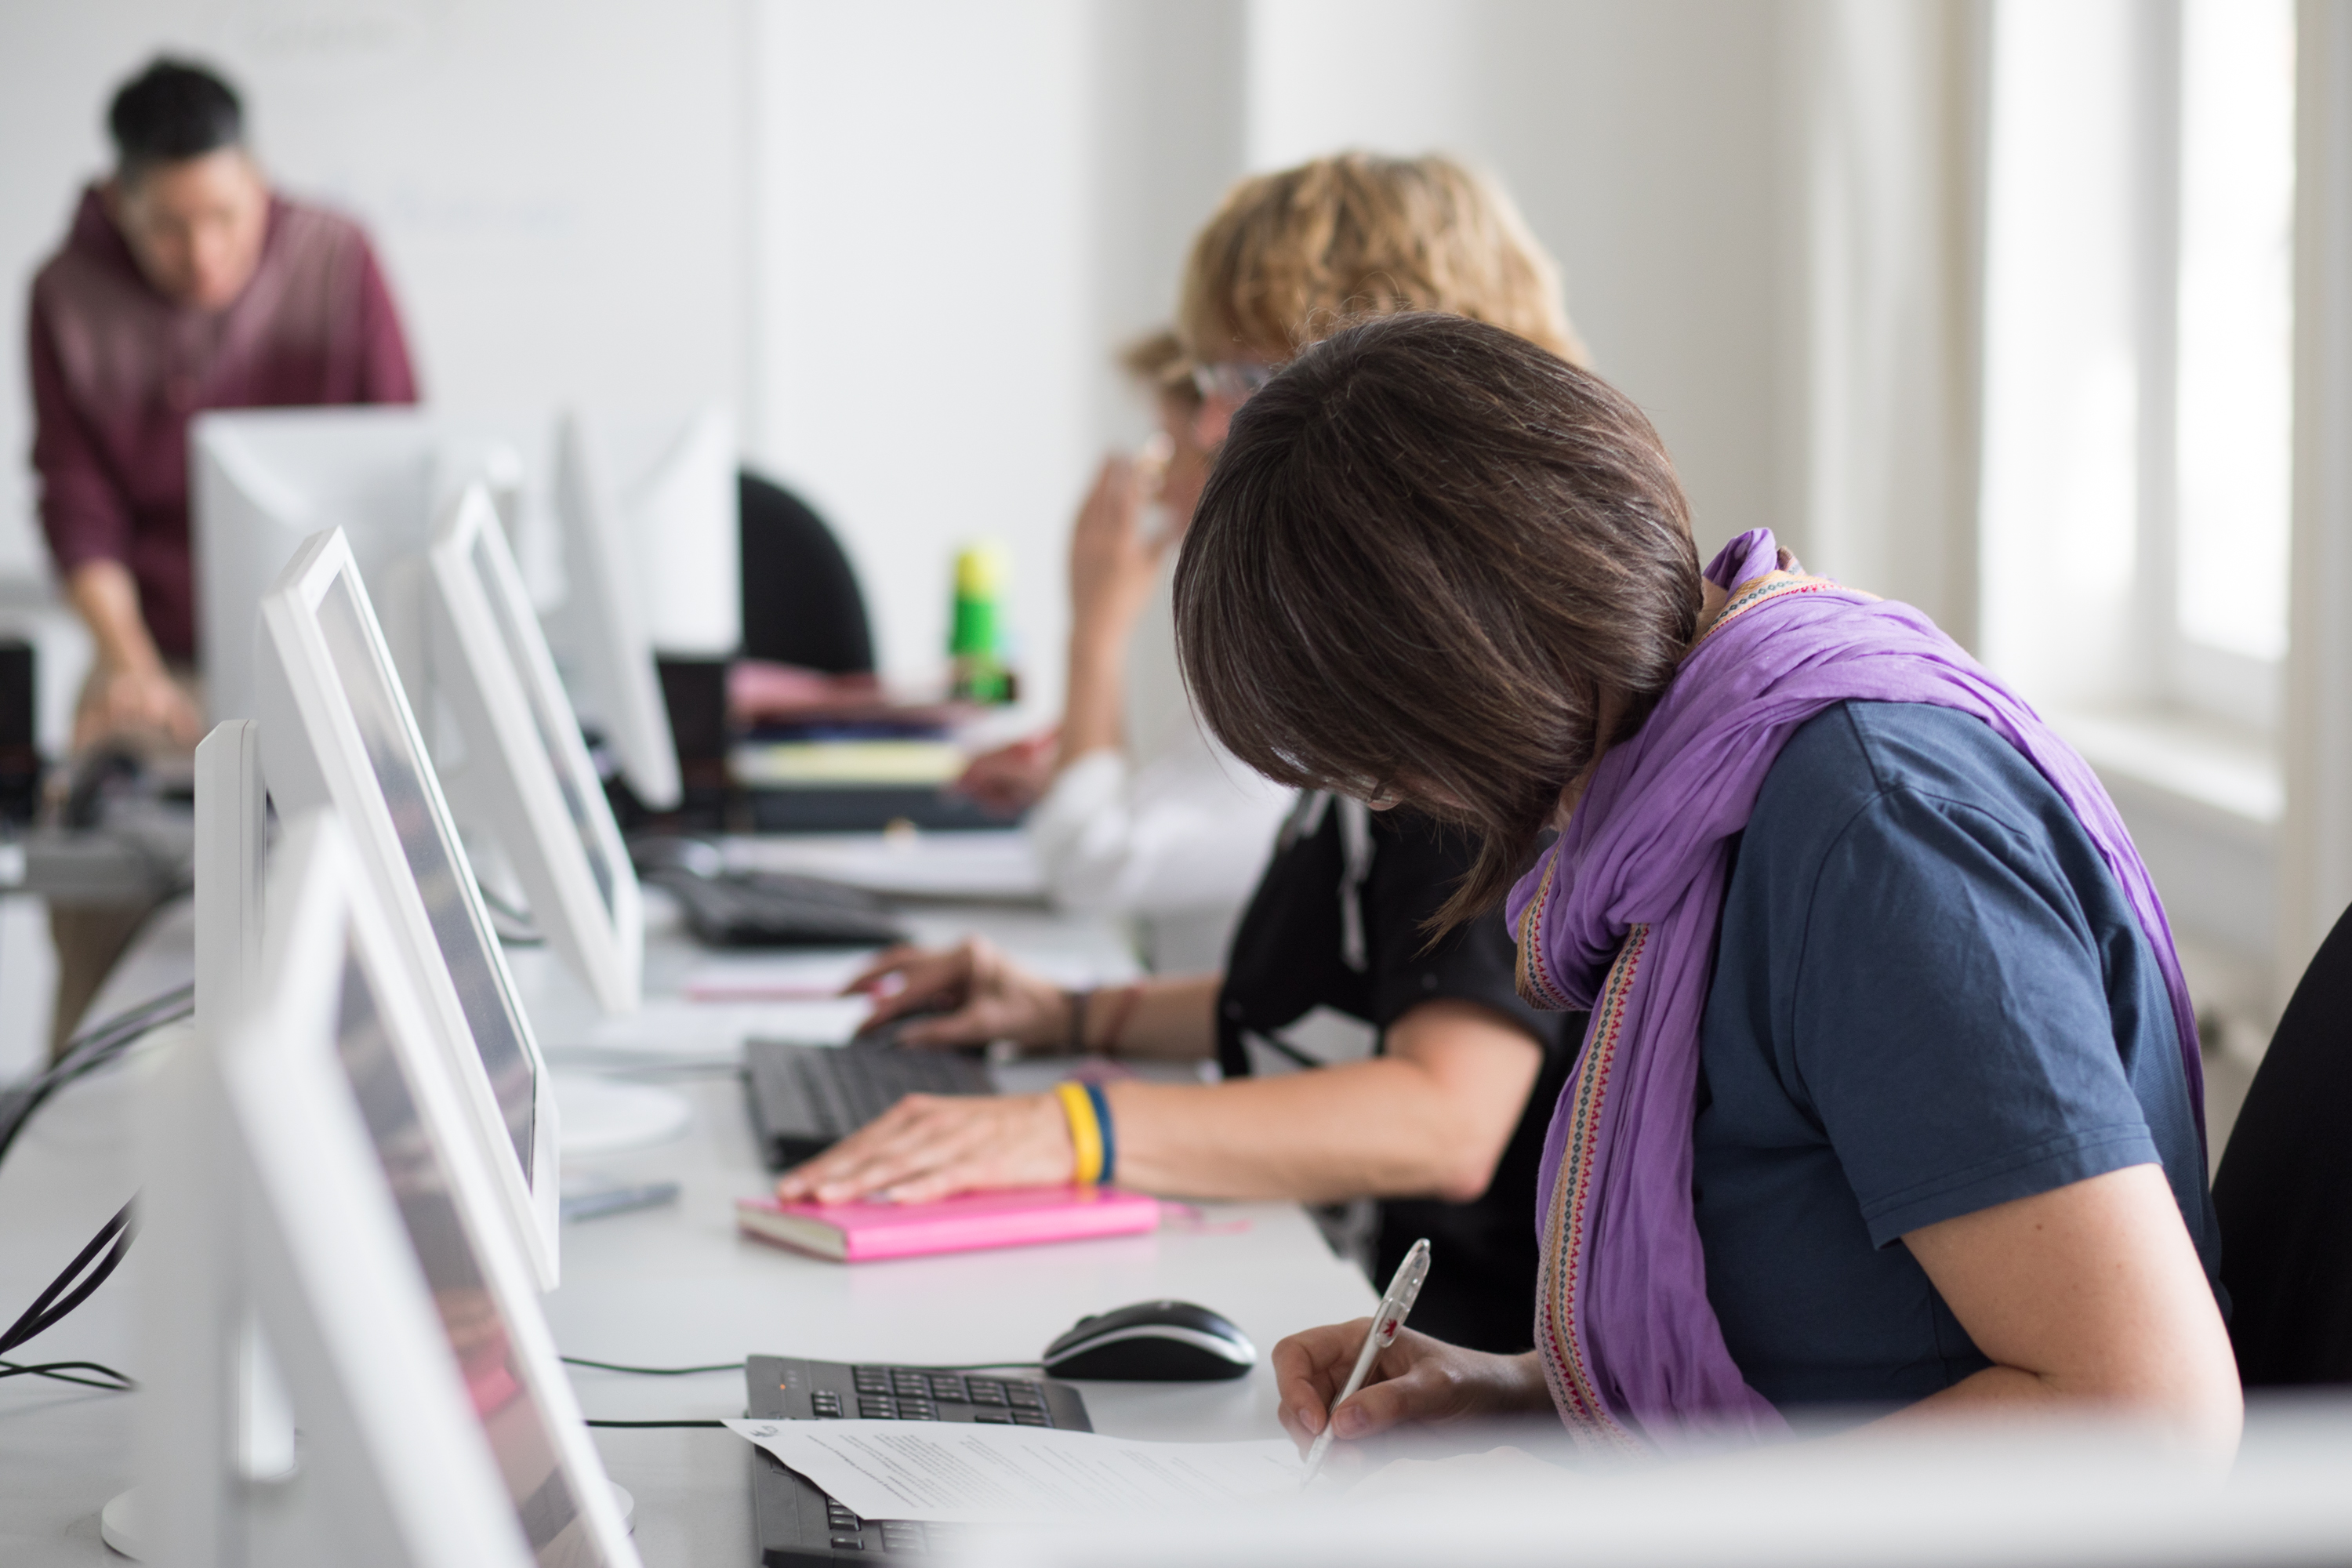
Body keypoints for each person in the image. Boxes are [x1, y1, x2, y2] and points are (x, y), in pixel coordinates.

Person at [1169, 314, 2238, 1462]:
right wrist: (1513, 1391)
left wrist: (1661, 1524)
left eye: (1378, 756)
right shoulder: (1698, 798)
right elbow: (1813, 1324)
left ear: (1463, 675)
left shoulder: (1876, 837)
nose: (1398, 799)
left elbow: (2150, 1411)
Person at [955, 152, 1583, 971]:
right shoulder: (1351, 625)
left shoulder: (1435, 668)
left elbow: (1099, 862)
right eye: (1211, 377)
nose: (1210, 427)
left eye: (1246, 377)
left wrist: (1094, 634)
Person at [27, 57, 417, 1053]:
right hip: (154, 653)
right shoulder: (64, 292)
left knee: (352, 892)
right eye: (167, 226)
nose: (201, 254)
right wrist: (126, 659)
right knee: (104, 871)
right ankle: (79, 1098)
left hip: (329, 650)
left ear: (259, 177)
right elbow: (78, 498)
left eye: (225, 217)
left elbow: (396, 458)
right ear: (119, 201)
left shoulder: (338, 258)